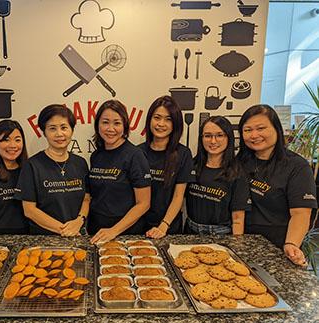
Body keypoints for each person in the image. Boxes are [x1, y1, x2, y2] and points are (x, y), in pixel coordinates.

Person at [237, 104, 317, 266]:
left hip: (277, 246)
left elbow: (300, 214)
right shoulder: (241, 161)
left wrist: (291, 244)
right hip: (241, 242)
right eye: (247, 130)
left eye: (261, 128)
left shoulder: (296, 166)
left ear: (277, 129)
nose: (254, 135)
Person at [19, 104, 90, 236]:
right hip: (44, 239)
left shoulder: (80, 163)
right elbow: (29, 210)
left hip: (77, 235)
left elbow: (86, 198)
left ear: (72, 130)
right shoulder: (32, 165)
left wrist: (80, 220)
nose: (59, 134)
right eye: (52, 128)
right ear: (44, 132)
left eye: (64, 127)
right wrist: (64, 230)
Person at [88, 99, 151, 244]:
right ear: (97, 125)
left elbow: (144, 203)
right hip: (96, 231)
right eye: (105, 122)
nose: (110, 128)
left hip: (126, 234)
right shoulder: (96, 156)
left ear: (125, 126)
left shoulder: (135, 155)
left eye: (117, 123)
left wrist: (114, 231)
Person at [139, 95, 195, 238]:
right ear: (149, 120)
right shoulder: (137, 152)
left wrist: (163, 226)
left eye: (168, 119)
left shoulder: (183, 154)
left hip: (168, 228)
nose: (161, 124)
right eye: (157, 117)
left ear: (175, 124)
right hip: (138, 226)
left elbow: (178, 196)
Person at [186, 116, 251, 235]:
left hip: (221, 234)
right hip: (190, 231)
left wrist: (236, 245)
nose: (213, 141)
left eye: (220, 135)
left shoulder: (237, 172)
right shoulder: (191, 166)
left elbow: (237, 219)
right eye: (208, 136)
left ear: (229, 138)